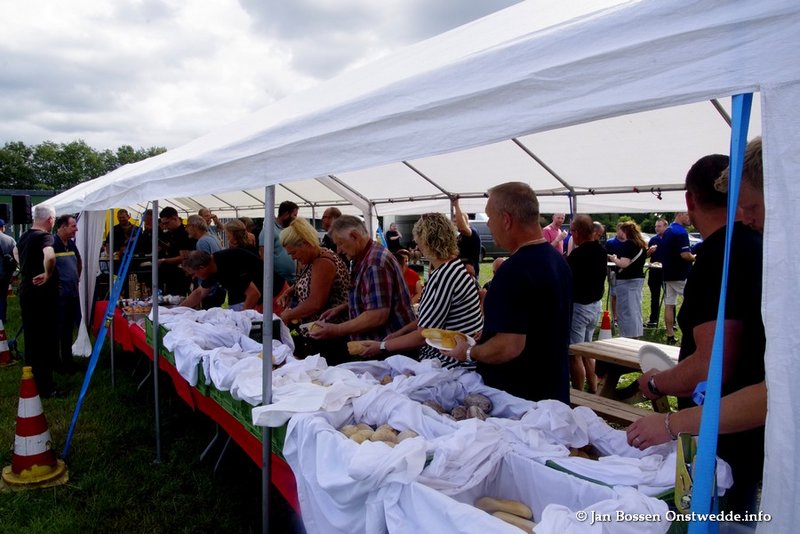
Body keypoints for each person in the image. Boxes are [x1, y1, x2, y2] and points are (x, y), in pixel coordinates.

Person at [631, 151, 765, 514]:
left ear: (690, 200)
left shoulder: (720, 257)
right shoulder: (756, 244)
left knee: (713, 516)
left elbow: (713, 363)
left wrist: (657, 385)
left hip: (723, 438)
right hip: (748, 427)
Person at [444, 182, 572, 403]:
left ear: (506, 220)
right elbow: (539, 323)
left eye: (490, 217)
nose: (489, 225)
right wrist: (489, 334)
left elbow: (509, 346)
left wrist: (469, 352)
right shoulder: (558, 261)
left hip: (518, 400)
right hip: (552, 391)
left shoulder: (514, 270)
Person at [359, 213, 483, 367]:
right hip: (452, 359)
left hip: (449, 364)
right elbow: (429, 319)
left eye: (418, 240)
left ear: (426, 241)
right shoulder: (453, 268)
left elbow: (423, 335)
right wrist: (399, 333)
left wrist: (381, 346)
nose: (417, 245)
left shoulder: (444, 276)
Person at [310, 215, 415, 345]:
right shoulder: (365, 256)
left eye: (340, 243)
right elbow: (373, 299)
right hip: (381, 345)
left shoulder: (374, 262)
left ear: (355, 236)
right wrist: (343, 308)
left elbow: (377, 315)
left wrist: (336, 330)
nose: (339, 250)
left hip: (388, 346)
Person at [14, 204, 62, 397]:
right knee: (45, 338)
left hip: (27, 292)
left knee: (32, 337)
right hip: (42, 295)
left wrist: (23, 266)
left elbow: (15, 251)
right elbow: (49, 256)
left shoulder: (25, 236)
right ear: (50, 220)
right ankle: (46, 387)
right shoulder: (45, 236)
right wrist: (47, 274)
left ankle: (32, 379)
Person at [566, 214, 607, 393]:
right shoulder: (602, 251)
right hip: (595, 306)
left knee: (574, 354)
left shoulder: (577, 254)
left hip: (580, 307)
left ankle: (578, 395)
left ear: (577, 232)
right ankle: (593, 389)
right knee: (588, 350)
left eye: (572, 231)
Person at [181, 249, 284, 312]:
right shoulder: (211, 266)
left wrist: (241, 320)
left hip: (275, 295)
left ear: (201, 268)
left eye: (193, 274)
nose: (193, 277)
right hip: (261, 297)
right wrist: (178, 309)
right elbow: (200, 292)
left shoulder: (227, 267)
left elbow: (254, 294)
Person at [53, 214, 82, 374]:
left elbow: (79, 260)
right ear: (63, 227)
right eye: (73, 226)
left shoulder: (70, 243)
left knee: (68, 328)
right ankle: (57, 363)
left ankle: (68, 360)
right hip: (60, 296)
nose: (76, 229)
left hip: (72, 293)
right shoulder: (52, 243)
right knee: (59, 329)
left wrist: (76, 278)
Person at [608, 221, 647, 338]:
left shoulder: (629, 244)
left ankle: (628, 336)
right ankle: (636, 334)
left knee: (626, 311)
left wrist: (614, 259)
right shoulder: (641, 244)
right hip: (637, 279)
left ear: (625, 231)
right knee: (635, 309)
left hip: (627, 281)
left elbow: (623, 264)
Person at [661, 211, 695, 344]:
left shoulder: (668, 230)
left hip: (668, 273)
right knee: (693, 301)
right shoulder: (681, 232)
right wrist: (694, 257)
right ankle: (690, 332)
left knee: (669, 305)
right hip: (681, 274)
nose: (689, 218)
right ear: (680, 214)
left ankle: (670, 334)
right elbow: (685, 255)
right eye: (687, 215)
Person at [158, 207, 196, 296]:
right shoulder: (169, 234)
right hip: (168, 275)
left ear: (174, 218)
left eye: (167, 223)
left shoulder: (183, 234)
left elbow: (184, 257)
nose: (165, 226)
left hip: (180, 277)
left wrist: (164, 260)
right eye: (163, 224)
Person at [259, 200, 297, 283]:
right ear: (286, 214)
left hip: (292, 279)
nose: (295, 218)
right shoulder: (269, 230)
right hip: (277, 281)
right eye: (294, 215)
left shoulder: (289, 230)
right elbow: (264, 257)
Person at [645, 218, 667, 327]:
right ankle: (653, 319)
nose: (656, 228)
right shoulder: (653, 239)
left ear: (665, 227)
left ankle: (672, 322)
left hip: (666, 271)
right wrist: (650, 251)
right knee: (654, 297)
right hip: (654, 271)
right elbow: (646, 256)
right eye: (655, 226)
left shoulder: (670, 238)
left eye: (659, 226)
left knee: (669, 297)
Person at [452, 197, 481, 275]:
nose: (455, 223)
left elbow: (462, 228)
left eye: (457, 221)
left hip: (469, 274)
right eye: (454, 221)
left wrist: (456, 206)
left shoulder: (472, 232)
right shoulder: (459, 236)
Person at [604, 223, 626, 325]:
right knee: (614, 295)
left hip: (626, 273)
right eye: (622, 230)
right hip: (613, 272)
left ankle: (623, 316)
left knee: (624, 296)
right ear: (617, 230)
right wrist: (612, 257)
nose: (624, 232)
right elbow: (605, 254)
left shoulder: (629, 242)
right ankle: (615, 317)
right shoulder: (610, 242)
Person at [0, 218, 17, 322]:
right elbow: (15, 256)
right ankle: (2, 318)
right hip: (5, 273)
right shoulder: (10, 240)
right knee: (2, 296)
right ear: (3, 227)